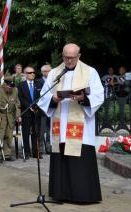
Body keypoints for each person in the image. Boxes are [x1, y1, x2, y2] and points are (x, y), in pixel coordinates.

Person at [37, 43, 103, 203]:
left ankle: (82, 195)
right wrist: (53, 99)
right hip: (60, 127)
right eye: (66, 57)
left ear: (79, 56)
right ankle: (60, 194)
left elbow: (99, 96)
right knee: (61, 160)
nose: (69, 61)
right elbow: (43, 95)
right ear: (62, 55)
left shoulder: (90, 72)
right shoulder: (55, 73)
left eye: (72, 58)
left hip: (81, 127)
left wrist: (84, 99)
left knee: (79, 163)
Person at [17, 66, 42, 159]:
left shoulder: (39, 84)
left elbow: (42, 96)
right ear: (25, 74)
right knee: (26, 132)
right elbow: (20, 98)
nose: (32, 74)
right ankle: (26, 152)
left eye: (33, 72)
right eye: (30, 73)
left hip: (36, 112)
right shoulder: (20, 85)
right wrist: (29, 106)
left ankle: (36, 152)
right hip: (26, 112)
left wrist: (36, 106)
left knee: (36, 133)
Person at [0, 77, 21, 162]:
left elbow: (17, 104)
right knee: (0, 136)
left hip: (10, 116)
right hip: (1, 115)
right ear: (5, 84)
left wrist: (18, 115)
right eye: (9, 87)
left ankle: (7, 154)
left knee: (9, 136)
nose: (11, 88)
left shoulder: (15, 90)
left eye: (12, 86)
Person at [37, 64, 52, 153]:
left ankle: (49, 147)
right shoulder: (38, 82)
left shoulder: (54, 80)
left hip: (52, 108)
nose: (50, 73)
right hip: (42, 109)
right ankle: (41, 148)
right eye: (48, 71)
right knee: (41, 130)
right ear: (43, 72)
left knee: (50, 130)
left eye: (50, 71)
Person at [115, 66, 130, 131]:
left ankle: (125, 123)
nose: (120, 71)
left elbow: (128, 83)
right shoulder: (118, 77)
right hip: (119, 95)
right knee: (121, 109)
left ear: (124, 70)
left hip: (127, 94)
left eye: (121, 70)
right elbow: (115, 83)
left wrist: (121, 81)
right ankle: (121, 123)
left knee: (126, 109)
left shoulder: (128, 75)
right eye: (119, 70)